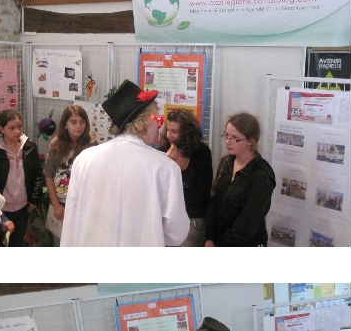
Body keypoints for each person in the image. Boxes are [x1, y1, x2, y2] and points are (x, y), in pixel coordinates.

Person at [61, 80, 189, 246]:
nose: (159, 127)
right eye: (157, 119)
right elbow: (176, 234)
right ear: (145, 122)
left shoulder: (84, 159)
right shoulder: (166, 168)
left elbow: (71, 221)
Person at [205, 112, 276, 246]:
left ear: (251, 141)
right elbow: (214, 201)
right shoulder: (226, 162)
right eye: (227, 135)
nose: (228, 141)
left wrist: (222, 245)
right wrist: (209, 237)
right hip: (218, 239)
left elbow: (248, 221)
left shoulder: (262, 174)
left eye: (235, 138)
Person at [0, 110, 44, 246]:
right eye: (12, 128)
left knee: (17, 242)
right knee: (1, 243)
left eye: (19, 127)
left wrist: (34, 199)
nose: (17, 131)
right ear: (2, 129)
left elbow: (38, 173)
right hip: (2, 208)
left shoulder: (29, 147)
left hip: (23, 206)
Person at [43, 105, 97, 246]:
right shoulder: (56, 143)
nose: (78, 126)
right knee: (60, 242)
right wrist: (55, 204)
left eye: (82, 122)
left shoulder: (91, 144)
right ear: (65, 125)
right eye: (73, 122)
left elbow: (94, 176)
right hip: (60, 201)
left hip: (81, 202)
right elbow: (48, 174)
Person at [158, 109, 213, 247]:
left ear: (186, 132)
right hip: (166, 218)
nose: (169, 135)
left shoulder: (201, 152)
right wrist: (168, 165)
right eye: (167, 130)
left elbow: (202, 195)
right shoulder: (162, 151)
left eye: (174, 131)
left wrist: (179, 168)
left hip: (192, 217)